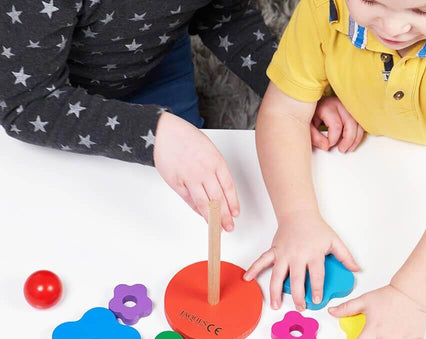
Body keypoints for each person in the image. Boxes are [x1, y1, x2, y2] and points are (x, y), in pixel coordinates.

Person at [244, 0, 426, 339]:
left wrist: (410, 297)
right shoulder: (323, 7)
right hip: (364, 152)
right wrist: (297, 216)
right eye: (370, 2)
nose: (395, 27)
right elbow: (284, 113)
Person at [0, 0, 280, 232]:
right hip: (46, 87)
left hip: (155, 63)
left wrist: (286, 89)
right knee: (61, 216)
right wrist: (153, 134)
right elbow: (27, 103)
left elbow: (224, 15)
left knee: (181, 206)